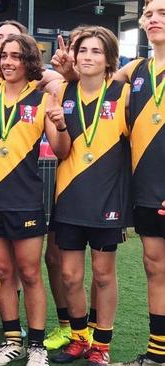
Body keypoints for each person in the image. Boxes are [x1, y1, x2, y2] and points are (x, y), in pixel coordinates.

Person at [0, 34, 64, 365]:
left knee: (29, 273)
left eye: (16, 56)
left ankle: (37, 345)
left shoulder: (43, 100)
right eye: (4, 56)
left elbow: (60, 149)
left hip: (26, 199)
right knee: (1, 271)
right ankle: (12, 338)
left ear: (28, 62)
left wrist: (61, 126)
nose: (9, 61)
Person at [47, 26, 129, 365]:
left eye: (96, 51)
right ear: (75, 57)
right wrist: (62, 124)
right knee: (69, 275)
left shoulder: (123, 94)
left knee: (104, 273)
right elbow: (60, 150)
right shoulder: (61, 92)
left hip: (108, 199)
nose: (88, 57)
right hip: (69, 196)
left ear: (109, 58)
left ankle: (102, 345)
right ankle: (80, 338)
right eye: (83, 51)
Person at [109, 1, 165, 364]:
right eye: (149, 14)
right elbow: (95, 83)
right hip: (148, 191)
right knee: (154, 266)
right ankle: (158, 353)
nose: (154, 20)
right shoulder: (137, 69)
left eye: (163, 12)